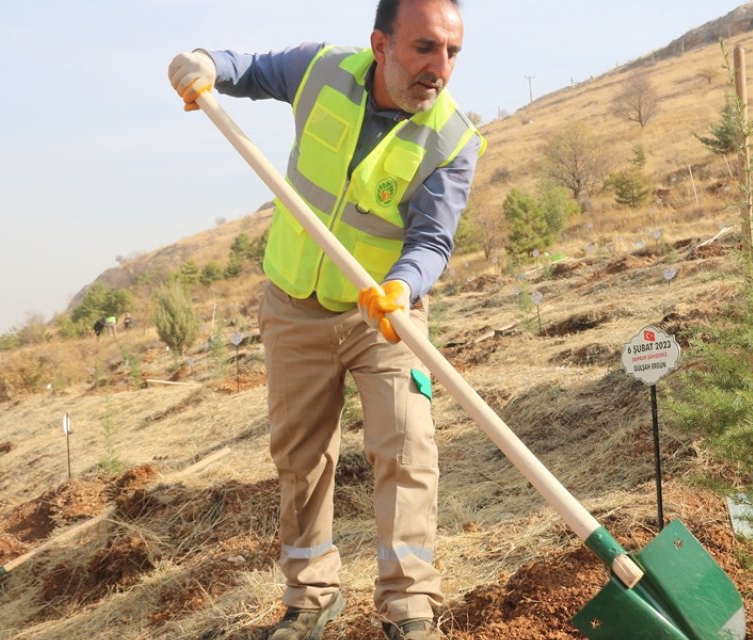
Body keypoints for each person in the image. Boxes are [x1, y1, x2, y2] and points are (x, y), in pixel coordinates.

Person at [168, 1, 482, 638]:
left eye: (451, 52)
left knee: (408, 450)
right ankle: (310, 596)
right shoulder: (320, 71)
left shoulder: (453, 141)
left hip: (384, 317)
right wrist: (200, 64)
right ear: (380, 44)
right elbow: (246, 69)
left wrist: (400, 285)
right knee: (301, 457)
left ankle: (409, 607)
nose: (440, 68)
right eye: (425, 48)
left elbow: (432, 240)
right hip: (293, 309)